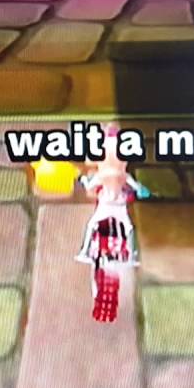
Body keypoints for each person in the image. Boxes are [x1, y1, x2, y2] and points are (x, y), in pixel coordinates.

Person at [75, 124, 150, 321]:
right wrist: (142, 191)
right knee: (128, 228)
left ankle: (85, 250)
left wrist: (84, 181)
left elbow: (89, 185)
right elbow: (139, 188)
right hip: (117, 207)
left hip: (108, 207)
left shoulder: (104, 175)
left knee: (93, 224)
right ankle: (131, 253)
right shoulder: (123, 176)